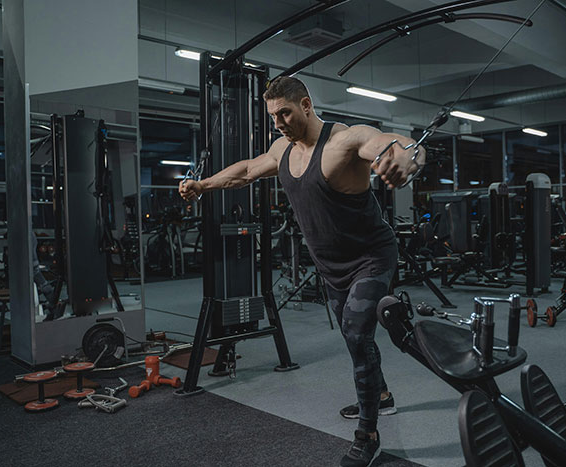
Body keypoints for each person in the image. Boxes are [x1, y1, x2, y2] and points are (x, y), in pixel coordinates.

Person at [179, 76, 425, 467]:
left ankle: (368, 434)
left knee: (358, 333)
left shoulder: (342, 140)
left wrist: (409, 157)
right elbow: (245, 170)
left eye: (285, 113)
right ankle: (381, 394)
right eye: (273, 115)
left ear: (306, 105)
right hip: (331, 265)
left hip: (371, 257)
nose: (278, 122)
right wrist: (202, 185)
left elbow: (386, 142)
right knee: (352, 336)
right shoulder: (282, 149)